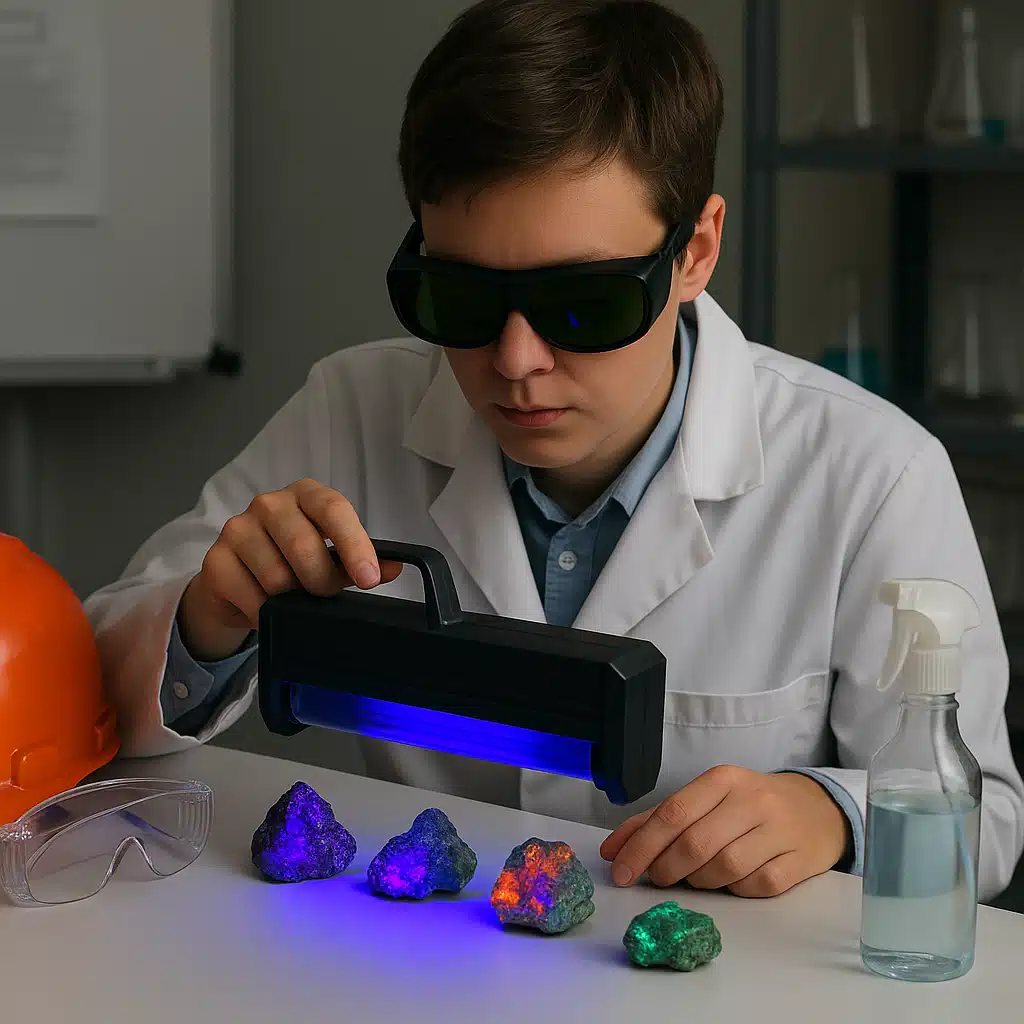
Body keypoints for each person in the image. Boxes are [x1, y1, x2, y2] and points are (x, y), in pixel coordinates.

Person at [84, 0, 1023, 901]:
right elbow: (88, 693)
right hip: (428, 964)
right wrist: (207, 620)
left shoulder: (872, 476)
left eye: (585, 305)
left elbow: (986, 825)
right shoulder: (352, 408)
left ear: (696, 251)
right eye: (460, 299)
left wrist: (834, 815)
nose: (515, 363)